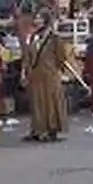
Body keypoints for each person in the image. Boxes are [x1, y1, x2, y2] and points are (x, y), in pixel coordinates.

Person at [21, 8, 68, 142]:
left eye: (40, 18)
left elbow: (61, 57)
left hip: (49, 75)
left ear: (46, 20)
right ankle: (37, 129)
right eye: (36, 18)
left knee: (49, 103)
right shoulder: (33, 36)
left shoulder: (54, 38)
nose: (37, 21)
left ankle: (50, 129)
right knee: (36, 103)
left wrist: (57, 70)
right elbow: (28, 55)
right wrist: (25, 71)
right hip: (35, 75)